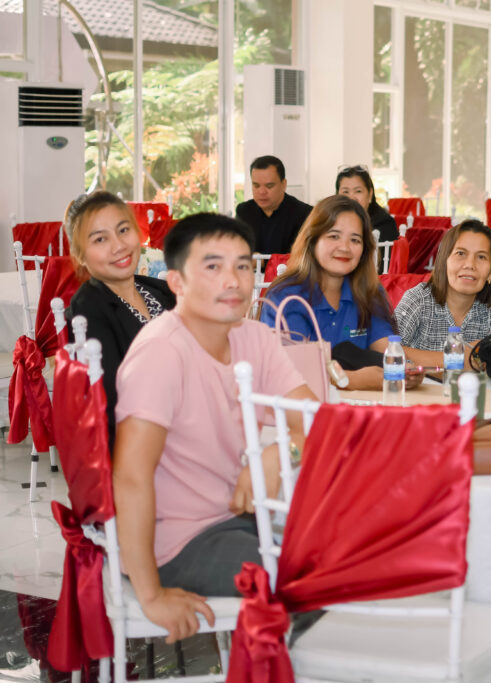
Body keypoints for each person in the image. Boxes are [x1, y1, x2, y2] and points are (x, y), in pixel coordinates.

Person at [113, 213, 315, 643]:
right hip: (176, 541)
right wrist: (152, 595)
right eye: (213, 266)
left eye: (242, 265)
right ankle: (282, 662)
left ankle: (284, 655)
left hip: (237, 518)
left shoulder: (254, 338)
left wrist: (280, 451)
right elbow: (130, 477)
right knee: (310, 582)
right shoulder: (161, 353)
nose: (233, 280)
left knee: (355, 551)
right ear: (176, 282)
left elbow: (318, 422)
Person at [260, 195, 417, 390]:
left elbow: (388, 350)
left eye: (355, 240)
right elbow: (291, 372)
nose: (345, 248)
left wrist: (406, 370)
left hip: (367, 403)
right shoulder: (286, 297)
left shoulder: (369, 291)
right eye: (334, 236)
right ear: (312, 240)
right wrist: (354, 380)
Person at [65, 191, 176, 447]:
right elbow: (114, 402)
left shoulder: (160, 290)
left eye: (123, 230)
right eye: (100, 239)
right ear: (80, 255)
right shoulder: (89, 309)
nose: (119, 246)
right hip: (147, 447)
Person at [395, 219, 491, 367]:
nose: (470, 265)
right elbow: (387, 350)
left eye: (481, 257)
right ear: (444, 261)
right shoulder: (419, 300)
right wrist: (465, 358)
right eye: (461, 253)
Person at [235, 155, 312, 255]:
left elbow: (303, 256)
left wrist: (261, 261)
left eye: (269, 186)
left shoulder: (304, 214)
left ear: (283, 184)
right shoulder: (244, 211)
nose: (262, 192)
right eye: (256, 186)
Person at [335, 165, 399, 243]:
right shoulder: (331, 221)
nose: (351, 198)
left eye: (358, 191)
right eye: (345, 192)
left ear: (370, 194)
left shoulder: (385, 224)